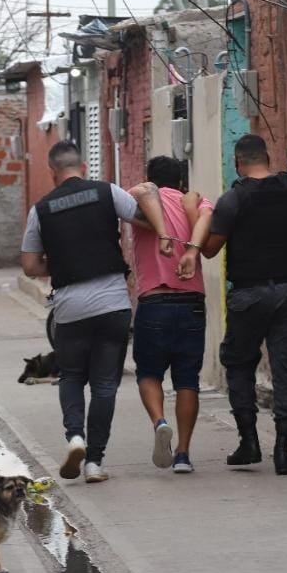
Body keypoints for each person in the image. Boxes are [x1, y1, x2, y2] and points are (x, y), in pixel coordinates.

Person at [21, 141, 170, 483]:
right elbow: (143, 216)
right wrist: (160, 225)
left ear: (52, 172)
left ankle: (75, 437)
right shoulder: (107, 193)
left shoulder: (40, 209)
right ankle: (94, 463)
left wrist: (62, 263)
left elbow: (30, 265)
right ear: (83, 167)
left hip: (70, 307)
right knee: (105, 384)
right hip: (112, 303)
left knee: (72, 376)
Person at [201, 134, 287, 475]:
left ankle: (249, 442)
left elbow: (210, 249)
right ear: (267, 159)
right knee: (286, 370)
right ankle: (284, 451)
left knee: (239, 364)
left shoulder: (233, 199)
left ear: (238, 161)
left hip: (248, 295)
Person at [126, 156, 213, 474]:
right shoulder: (197, 203)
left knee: (148, 373)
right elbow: (206, 221)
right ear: (181, 182)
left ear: (151, 178)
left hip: (154, 302)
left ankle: (159, 421)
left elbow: (138, 192)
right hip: (191, 302)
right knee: (187, 380)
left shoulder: (141, 203)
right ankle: (183, 454)